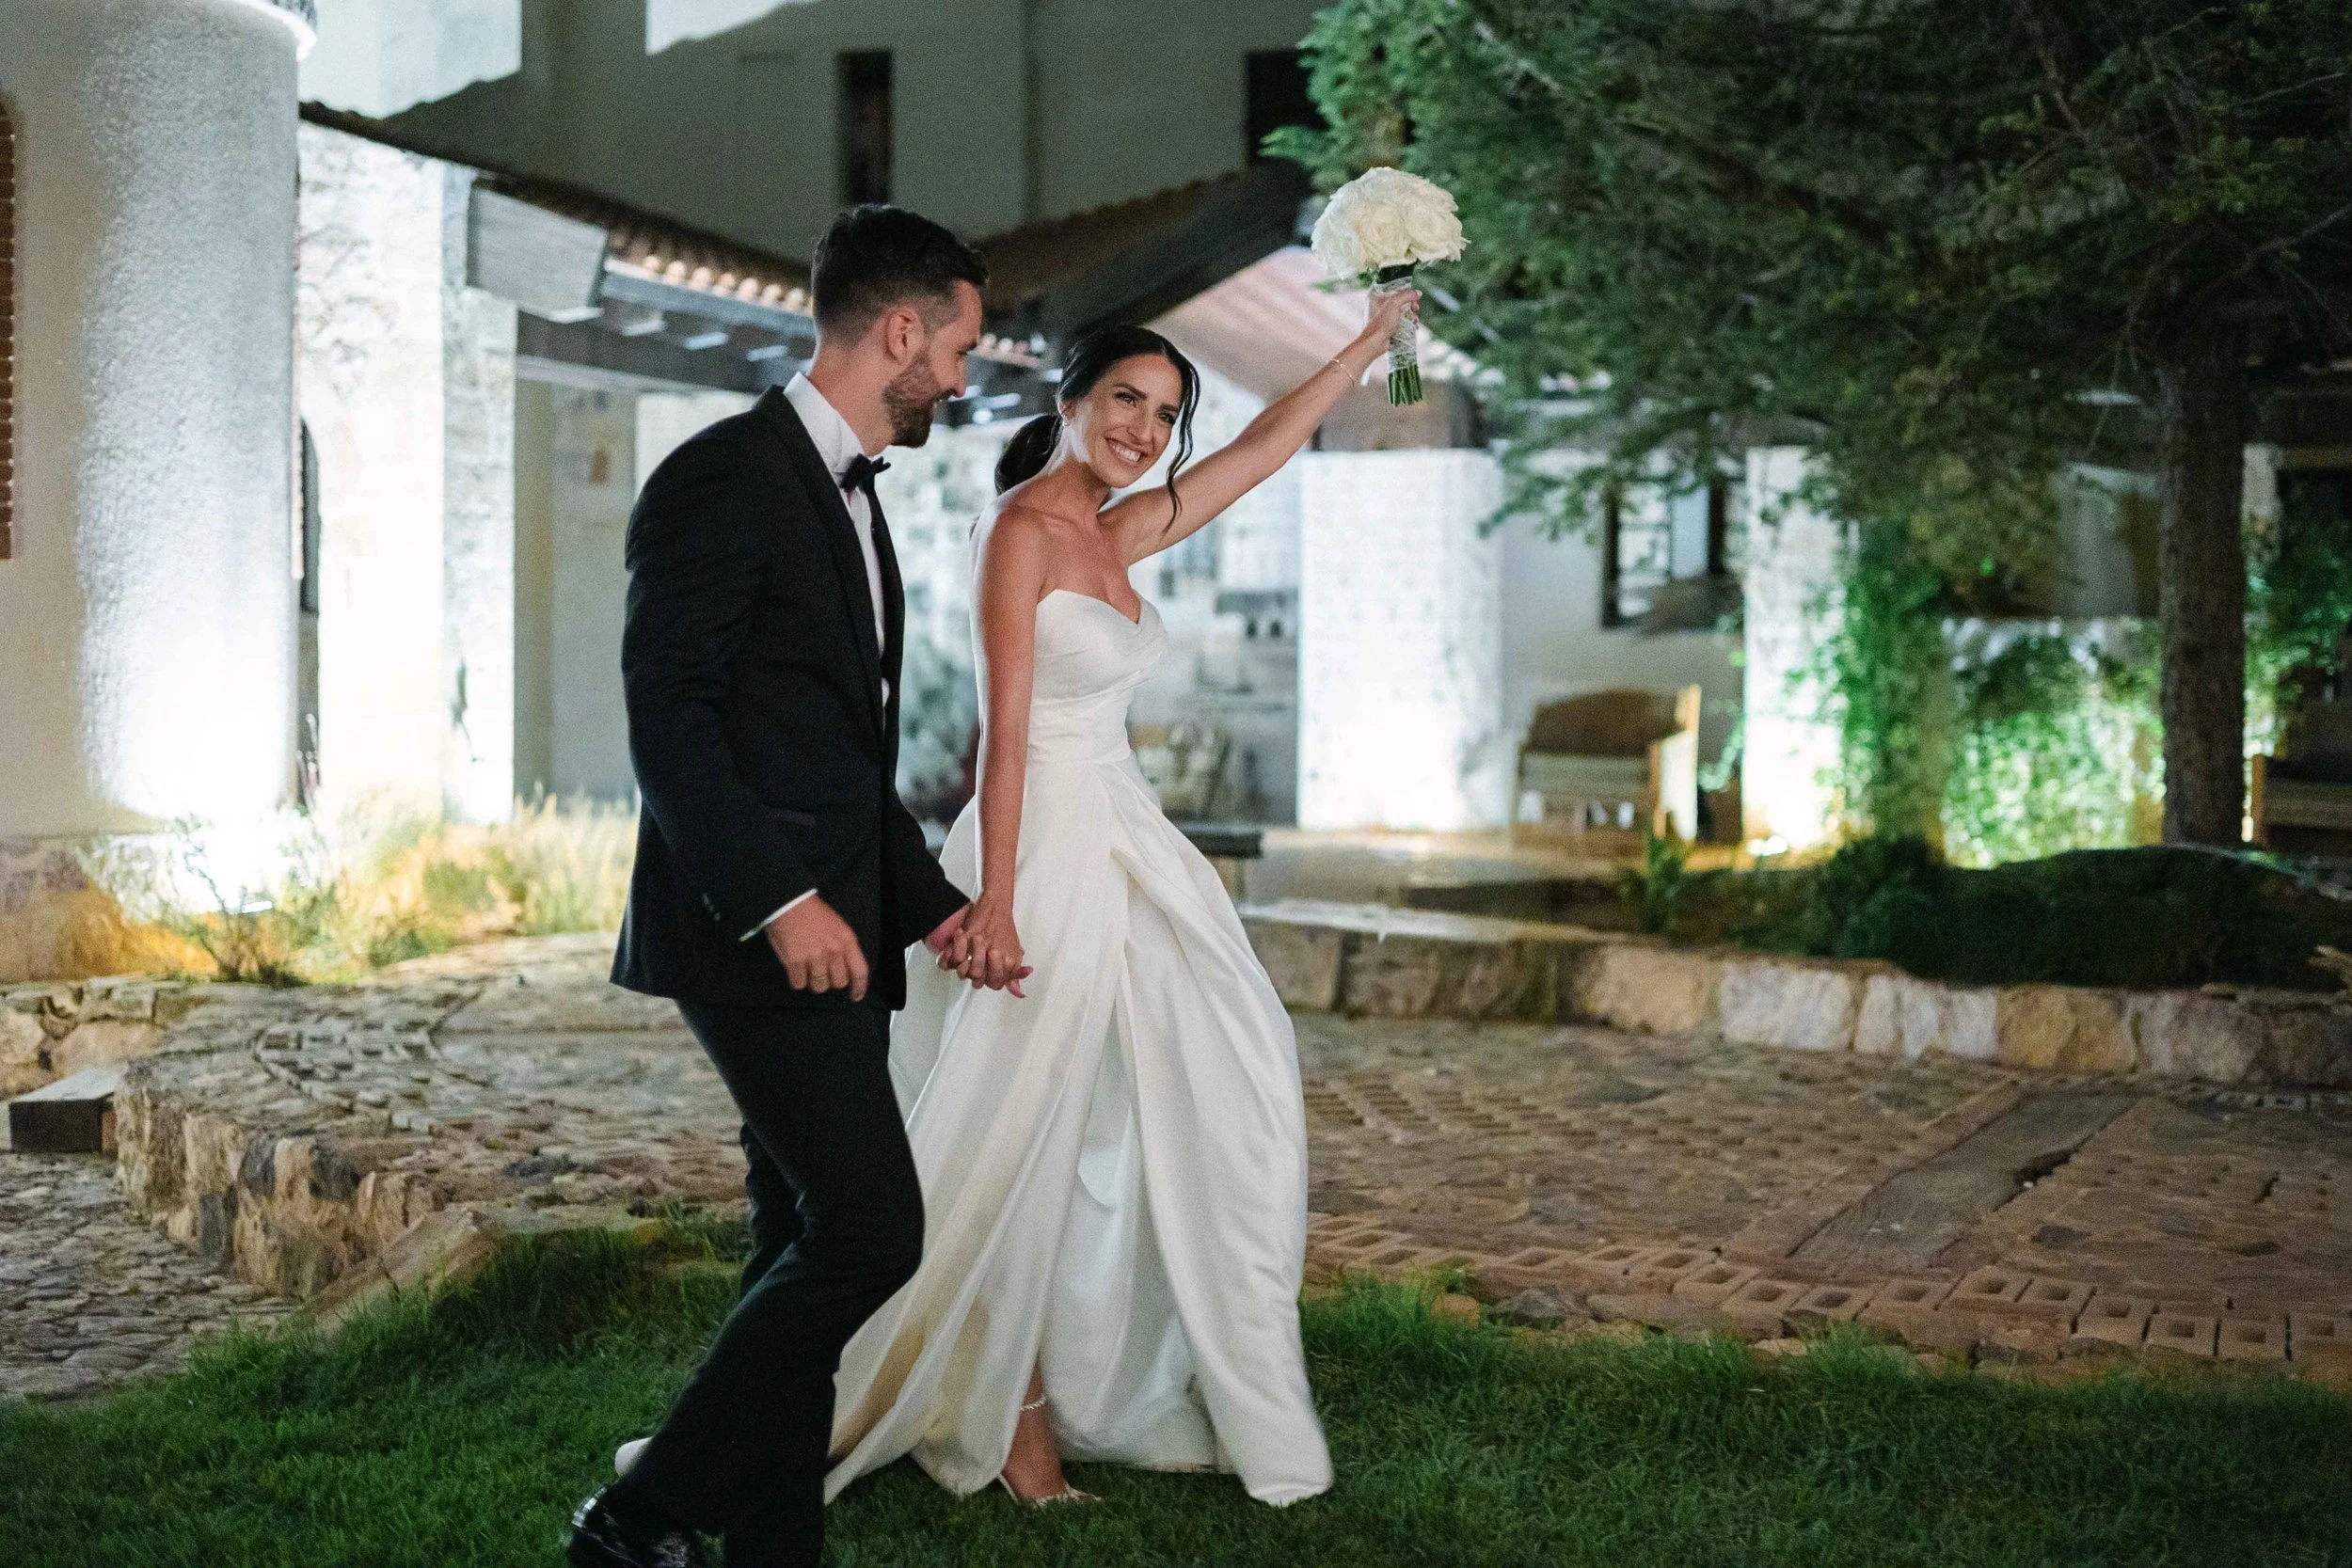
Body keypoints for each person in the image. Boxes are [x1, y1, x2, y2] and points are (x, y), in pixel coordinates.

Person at [821, 288, 1418, 1508]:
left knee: (1208, 1078)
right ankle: (1016, 1425)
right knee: (1021, 1128)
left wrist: (1367, 342)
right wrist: (988, 901)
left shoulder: (1120, 527)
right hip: (1036, 848)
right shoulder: (1024, 532)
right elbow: (1005, 727)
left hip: (1131, 840)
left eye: (1166, 413)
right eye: (1127, 402)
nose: (1148, 429)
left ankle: (1138, 1364)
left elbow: (1263, 449)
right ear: (1072, 401)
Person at [566, 204, 1019, 1568]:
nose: (962, 375)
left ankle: (771, 1547)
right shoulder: (721, 479)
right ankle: (636, 1517)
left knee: (799, 1238)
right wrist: (782, 901)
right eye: (958, 346)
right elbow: (670, 723)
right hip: (749, 931)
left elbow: (836, 759)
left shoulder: (855, 503)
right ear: (899, 330)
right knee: (873, 1229)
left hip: (838, 932)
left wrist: (930, 902)